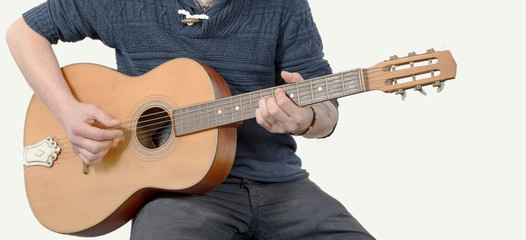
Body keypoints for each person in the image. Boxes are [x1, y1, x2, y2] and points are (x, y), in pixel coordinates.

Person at [7, 0, 375, 239]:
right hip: (178, 195)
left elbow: (326, 105)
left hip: (280, 185)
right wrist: (67, 111)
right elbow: (23, 32)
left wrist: (308, 119)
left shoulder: (283, 5)